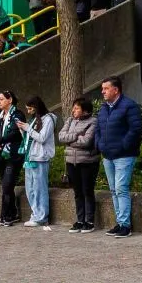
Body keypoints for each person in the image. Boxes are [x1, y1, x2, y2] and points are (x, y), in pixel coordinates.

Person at [96, 76, 142, 238]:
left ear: (116, 90)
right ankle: (120, 222)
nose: (103, 92)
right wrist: (100, 145)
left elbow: (135, 129)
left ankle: (125, 225)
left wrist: (123, 146)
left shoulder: (129, 106)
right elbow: (98, 130)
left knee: (121, 188)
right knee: (114, 190)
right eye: (102, 89)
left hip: (124, 155)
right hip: (108, 155)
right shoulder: (103, 108)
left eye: (106, 88)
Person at [58, 95, 100, 232]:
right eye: (73, 108)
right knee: (77, 192)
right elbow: (61, 136)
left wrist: (70, 140)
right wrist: (76, 136)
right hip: (71, 161)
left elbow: (87, 141)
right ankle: (80, 219)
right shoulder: (70, 120)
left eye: (77, 108)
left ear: (85, 110)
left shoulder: (93, 121)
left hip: (87, 162)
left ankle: (89, 221)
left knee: (87, 191)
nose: (73, 111)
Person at [0, 90, 27, 227]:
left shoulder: (17, 114)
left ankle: (6, 215)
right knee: (6, 187)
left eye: (1, 99)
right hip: (1, 155)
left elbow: (14, 134)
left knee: (7, 184)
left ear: (10, 100)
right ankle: (12, 213)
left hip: (13, 155)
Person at [23, 96, 56, 229]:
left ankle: (41, 216)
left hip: (41, 158)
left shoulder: (48, 119)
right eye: (27, 109)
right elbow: (30, 139)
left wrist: (28, 129)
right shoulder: (34, 120)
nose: (29, 111)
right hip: (30, 157)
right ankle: (35, 214)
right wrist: (24, 129)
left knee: (39, 188)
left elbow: (42, 138)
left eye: (31, 108)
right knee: (30, 188)